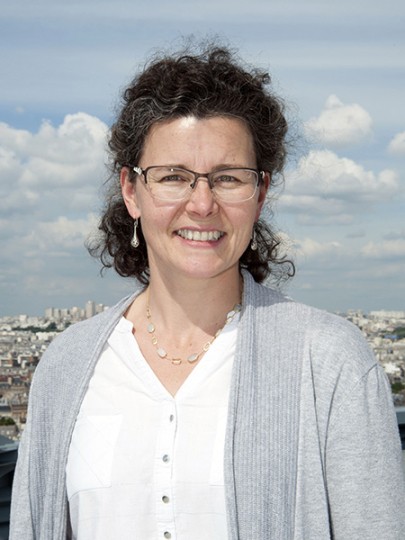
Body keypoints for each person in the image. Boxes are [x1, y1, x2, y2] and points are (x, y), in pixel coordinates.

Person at [10, 43, 405, 540]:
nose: (202, 204)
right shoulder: (65, 367)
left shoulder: (329, 363)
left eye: (228, 178)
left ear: (260, 194)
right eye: (173, 177)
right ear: (131, 191)